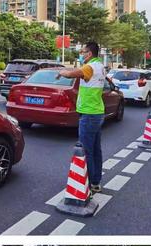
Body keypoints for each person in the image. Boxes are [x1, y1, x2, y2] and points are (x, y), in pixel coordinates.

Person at [57, 41, 105, 193]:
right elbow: (81, 72)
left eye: (83, 52)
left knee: (86, 151)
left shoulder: (90, 67)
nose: (82, 54)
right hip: (97, 112)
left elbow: (72, 73)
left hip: (89, 114)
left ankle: (89, 183)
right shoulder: (100, 66)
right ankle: (95, 182)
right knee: (96, 150)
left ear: (89, 54)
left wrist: (61, 72)